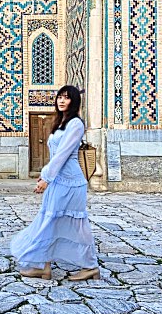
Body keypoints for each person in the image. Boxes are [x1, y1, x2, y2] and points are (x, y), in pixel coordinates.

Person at [9, 85, 100, 281]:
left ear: (74, 101)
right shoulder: (61, 123)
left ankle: (90, 266)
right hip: (59, 180)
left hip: (71, 183)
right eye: (60, 97)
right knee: (49, 221)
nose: (61, 101)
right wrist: (48, 177)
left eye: (66, 98)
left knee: (76, 225)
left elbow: (63, 154)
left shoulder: (76, 124)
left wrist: (46, 178)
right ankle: (44, 266)